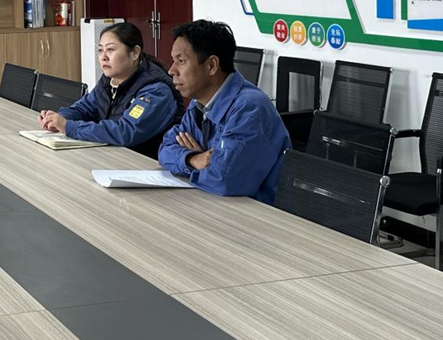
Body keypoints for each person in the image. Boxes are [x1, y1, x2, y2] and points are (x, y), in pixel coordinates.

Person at [158, 19, 290, 204]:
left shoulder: (249, 108)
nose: (172, 70)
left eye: (181, 61)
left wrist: (194, 163)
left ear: (212, 65)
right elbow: (165, 149)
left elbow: (223, 181)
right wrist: (193, 159)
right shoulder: (199, 104)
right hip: (214, 203)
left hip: (256, 213)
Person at [38, 22, 184, 158]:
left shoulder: (156, 91)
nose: (103, 57)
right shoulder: (110, 80)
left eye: (110, 50)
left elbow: (125, 132)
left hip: (144, 165)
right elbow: (84, 108)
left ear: (135, 53)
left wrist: (68, 126)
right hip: (112, 156)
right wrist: (58, 119)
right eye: (100, 50)